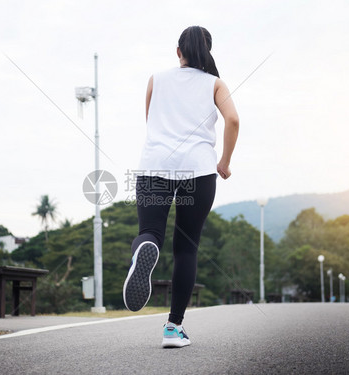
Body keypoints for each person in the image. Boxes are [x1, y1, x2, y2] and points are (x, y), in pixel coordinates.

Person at [122, 26, 240, 348]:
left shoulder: (155, 79)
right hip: (198, 171)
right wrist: (225, 162)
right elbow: (233, 120)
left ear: (178, 51)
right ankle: (173, 328)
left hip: (155, 165)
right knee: (186, 248)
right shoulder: (215, 84)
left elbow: (151, 123)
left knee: (150, 233)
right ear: (208, 51)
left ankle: (143, 253)